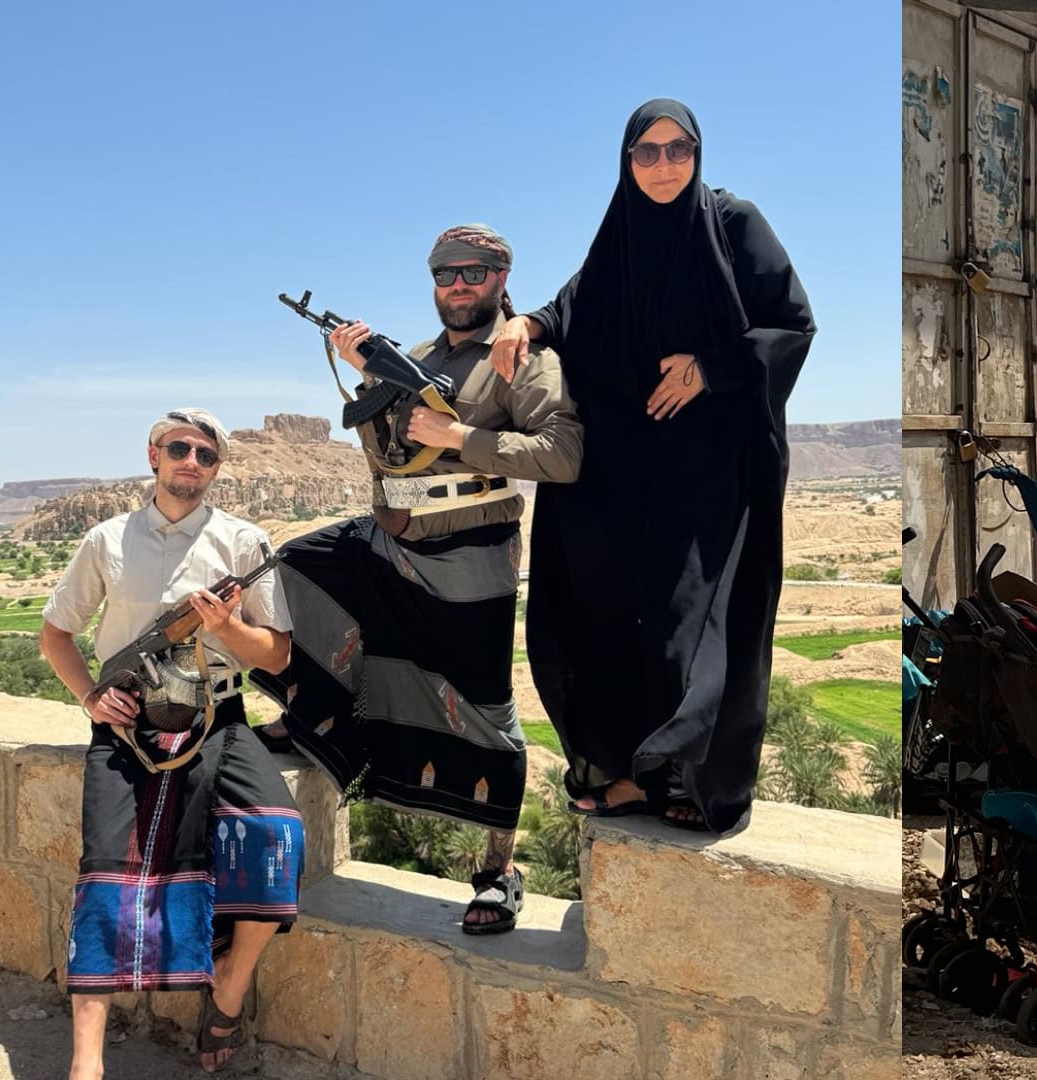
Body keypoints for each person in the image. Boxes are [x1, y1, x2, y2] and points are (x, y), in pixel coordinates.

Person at [487, 99, 816, 834]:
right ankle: (634, 777)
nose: (663, 166)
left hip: (711, 471)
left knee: (691, 629)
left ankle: (700, 785)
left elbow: (793, 323)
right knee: (603, 610)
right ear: (626, 161)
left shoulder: (734, 224)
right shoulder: (621, 237)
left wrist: (710, 369)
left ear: (698, 155)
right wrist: (526, 322)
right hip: (626, 464)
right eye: (647, 152)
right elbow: (574, 307)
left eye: (678, 150)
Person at [251, 224, 581, 932]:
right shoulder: (419, 357)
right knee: (300, 566)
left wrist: (461, 436)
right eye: (444, 274)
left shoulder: (522, 357)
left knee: (485, 706)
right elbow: (391, 452)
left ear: (500, 278)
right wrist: (368, 372)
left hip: (473, 552)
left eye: (472, 273)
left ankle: (498, 872)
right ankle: (316, 715)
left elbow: (562, 454)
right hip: (393, 536)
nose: (457, 286)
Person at [39, 409, 302, 1077]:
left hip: (219, 716)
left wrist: (226, 629)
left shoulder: (243, 541)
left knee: (277, 835)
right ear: (154, 456)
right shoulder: (107, 539)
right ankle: (87, 1061)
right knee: (106, 869)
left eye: (206, 455)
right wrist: (91, 698)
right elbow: (56, 635)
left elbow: (275, 654)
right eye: (180, 448)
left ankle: (228, 989)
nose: (192, 461)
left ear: (217, 469)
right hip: (127, 723)